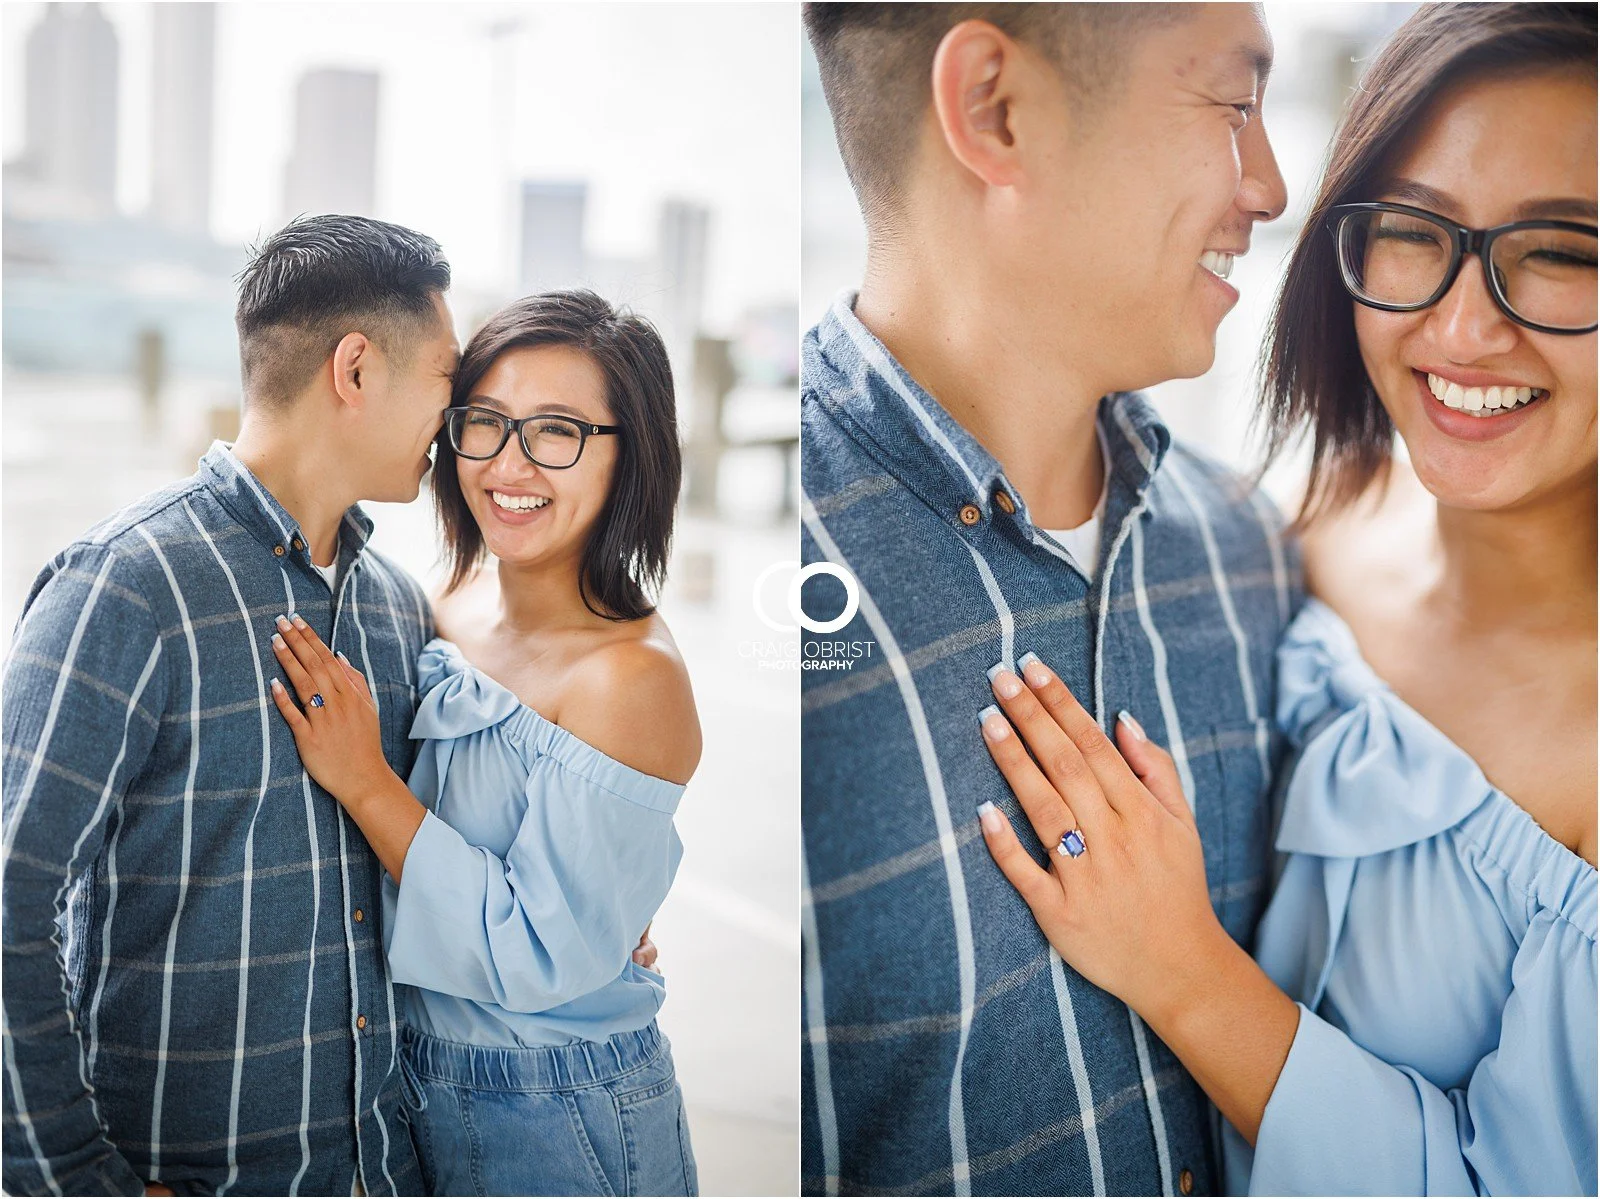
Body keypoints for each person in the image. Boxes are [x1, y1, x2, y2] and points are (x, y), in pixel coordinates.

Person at [975, 3, 1597, 1194]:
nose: (1463, 329)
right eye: (1415, 232)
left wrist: (1180, 968)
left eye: (1563, 252)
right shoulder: (1311, 522)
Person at [799, 3, 1295, 1193]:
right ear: (994, 109)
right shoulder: (789, 607)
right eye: (1233, 104)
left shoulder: (1252, 556)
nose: (1270, 186)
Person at [1, 214, 458, 1195]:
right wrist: (79, 1181)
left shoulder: (396, 608)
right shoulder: (124, 587)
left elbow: (433, 851)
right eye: (445, 380)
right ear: (357, 369)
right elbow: (8, 902)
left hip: (387, 1170)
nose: (455, 418)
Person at [263, 291, 702, 1197]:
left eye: (558, 432)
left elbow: (535, 951)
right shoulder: (440, 608)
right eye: (487, 423)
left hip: (563, 1109)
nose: (511, 464)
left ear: (633, 456)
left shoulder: (631, 677)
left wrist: (366, 782)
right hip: (407, 1083)